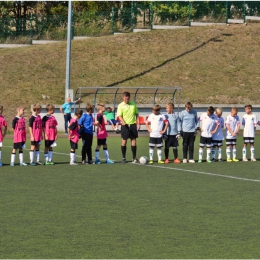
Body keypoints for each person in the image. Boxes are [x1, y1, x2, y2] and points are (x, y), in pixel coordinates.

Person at [117, 92, 140, 163]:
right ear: (123, 97)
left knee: (133, 141)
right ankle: (124, 158)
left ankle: (134, 158)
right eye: (125, 98)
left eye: (128, 98)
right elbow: (119, 115)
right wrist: (123, 121)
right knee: (124, 141)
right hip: (125, 125)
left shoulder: (133, 104)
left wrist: (138, 123)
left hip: (132, 124)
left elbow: (137, 114)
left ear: (129, 98)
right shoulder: (120, 105)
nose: (127, 100)